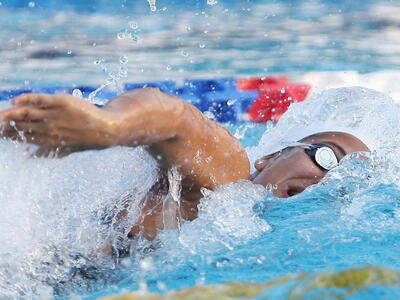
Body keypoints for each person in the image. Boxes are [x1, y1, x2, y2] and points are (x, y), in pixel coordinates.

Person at [0, 88, 370, 243]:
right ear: (272, 156)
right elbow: (177, 120)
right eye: (327, 157)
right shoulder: (230, 182)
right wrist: (107, 127)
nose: (326, 180)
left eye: (345, 183)